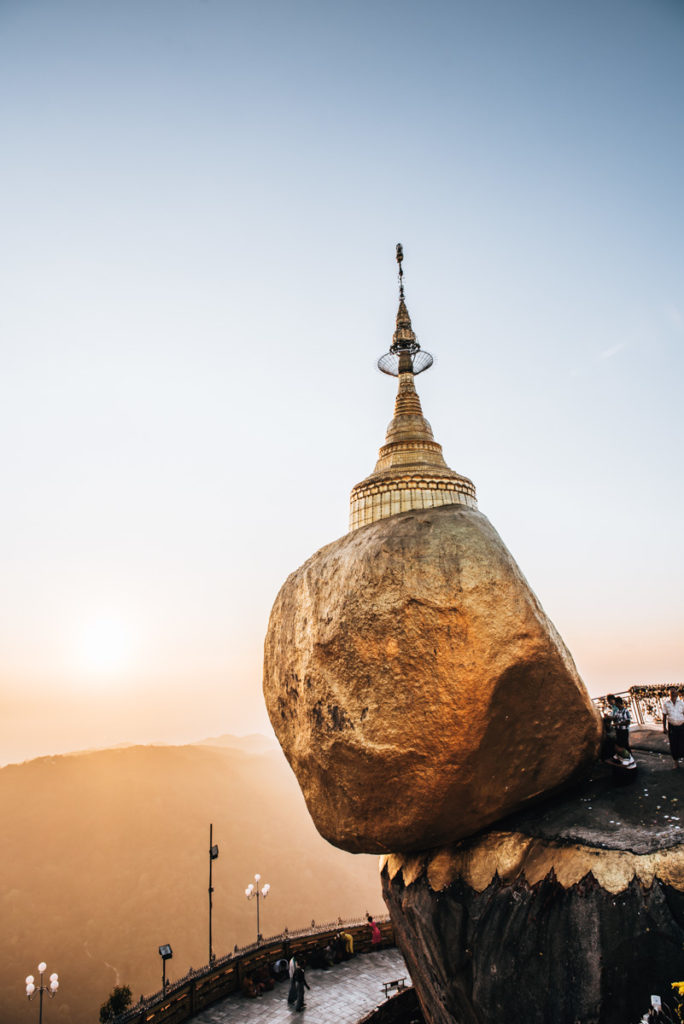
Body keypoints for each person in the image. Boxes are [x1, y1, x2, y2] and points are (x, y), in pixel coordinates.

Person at [662, 687, 684, 768]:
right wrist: (664, 728)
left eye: (674, 692)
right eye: (671, 693)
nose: (673, 694)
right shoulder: (666, 704)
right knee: (674, 745)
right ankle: (676, 762)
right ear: (669, 694)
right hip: (672, 728)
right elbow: (664, 716)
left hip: (682, 726)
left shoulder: (681, 703)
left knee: (682, 744)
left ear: (677, 693)